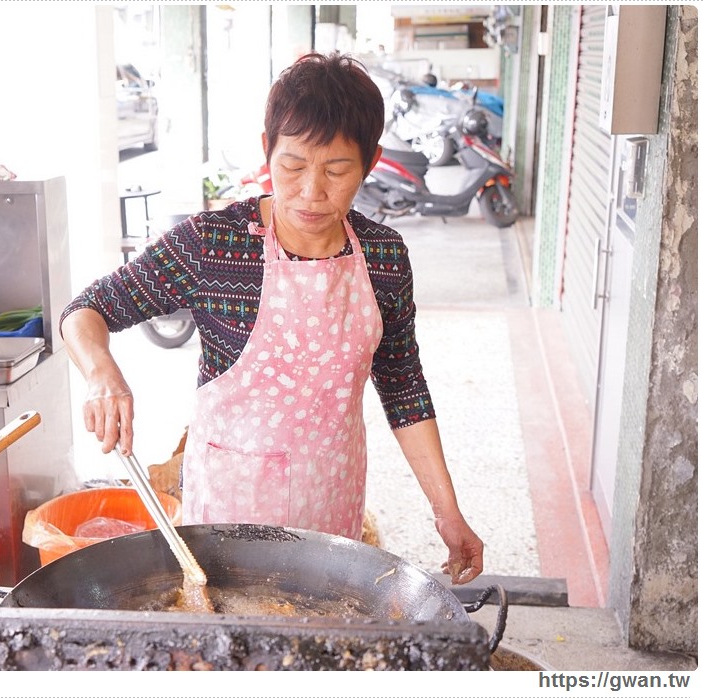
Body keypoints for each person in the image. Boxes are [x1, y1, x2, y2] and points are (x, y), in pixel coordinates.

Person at [60, 52, 484, 585]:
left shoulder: (383, 256)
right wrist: (102, 374)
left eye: (336, 170)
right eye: (293, 166)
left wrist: (447, 512)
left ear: (370, 163)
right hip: (226, 525)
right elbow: (86, 310)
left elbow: (403, 386)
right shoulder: (214, 245)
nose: (311, 191)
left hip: (332, 509)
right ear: (267, 150)